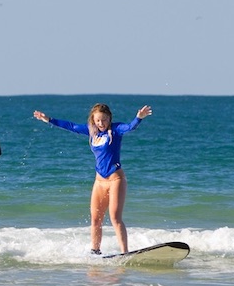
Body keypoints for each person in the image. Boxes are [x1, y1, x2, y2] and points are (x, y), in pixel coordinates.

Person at [33, 103, 153, 254]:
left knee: (115, 218)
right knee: (96, 219)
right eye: (97, 120)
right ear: (93, 120)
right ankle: (95, 251)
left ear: (109, 118)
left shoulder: (116, 130)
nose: (101, 123)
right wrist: (48, 119)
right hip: (99, 182)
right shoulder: (92, 131)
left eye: (104, 120)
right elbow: (71, 126)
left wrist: (138, 118)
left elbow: (130, 127)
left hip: (115, 179)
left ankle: (125, 253)